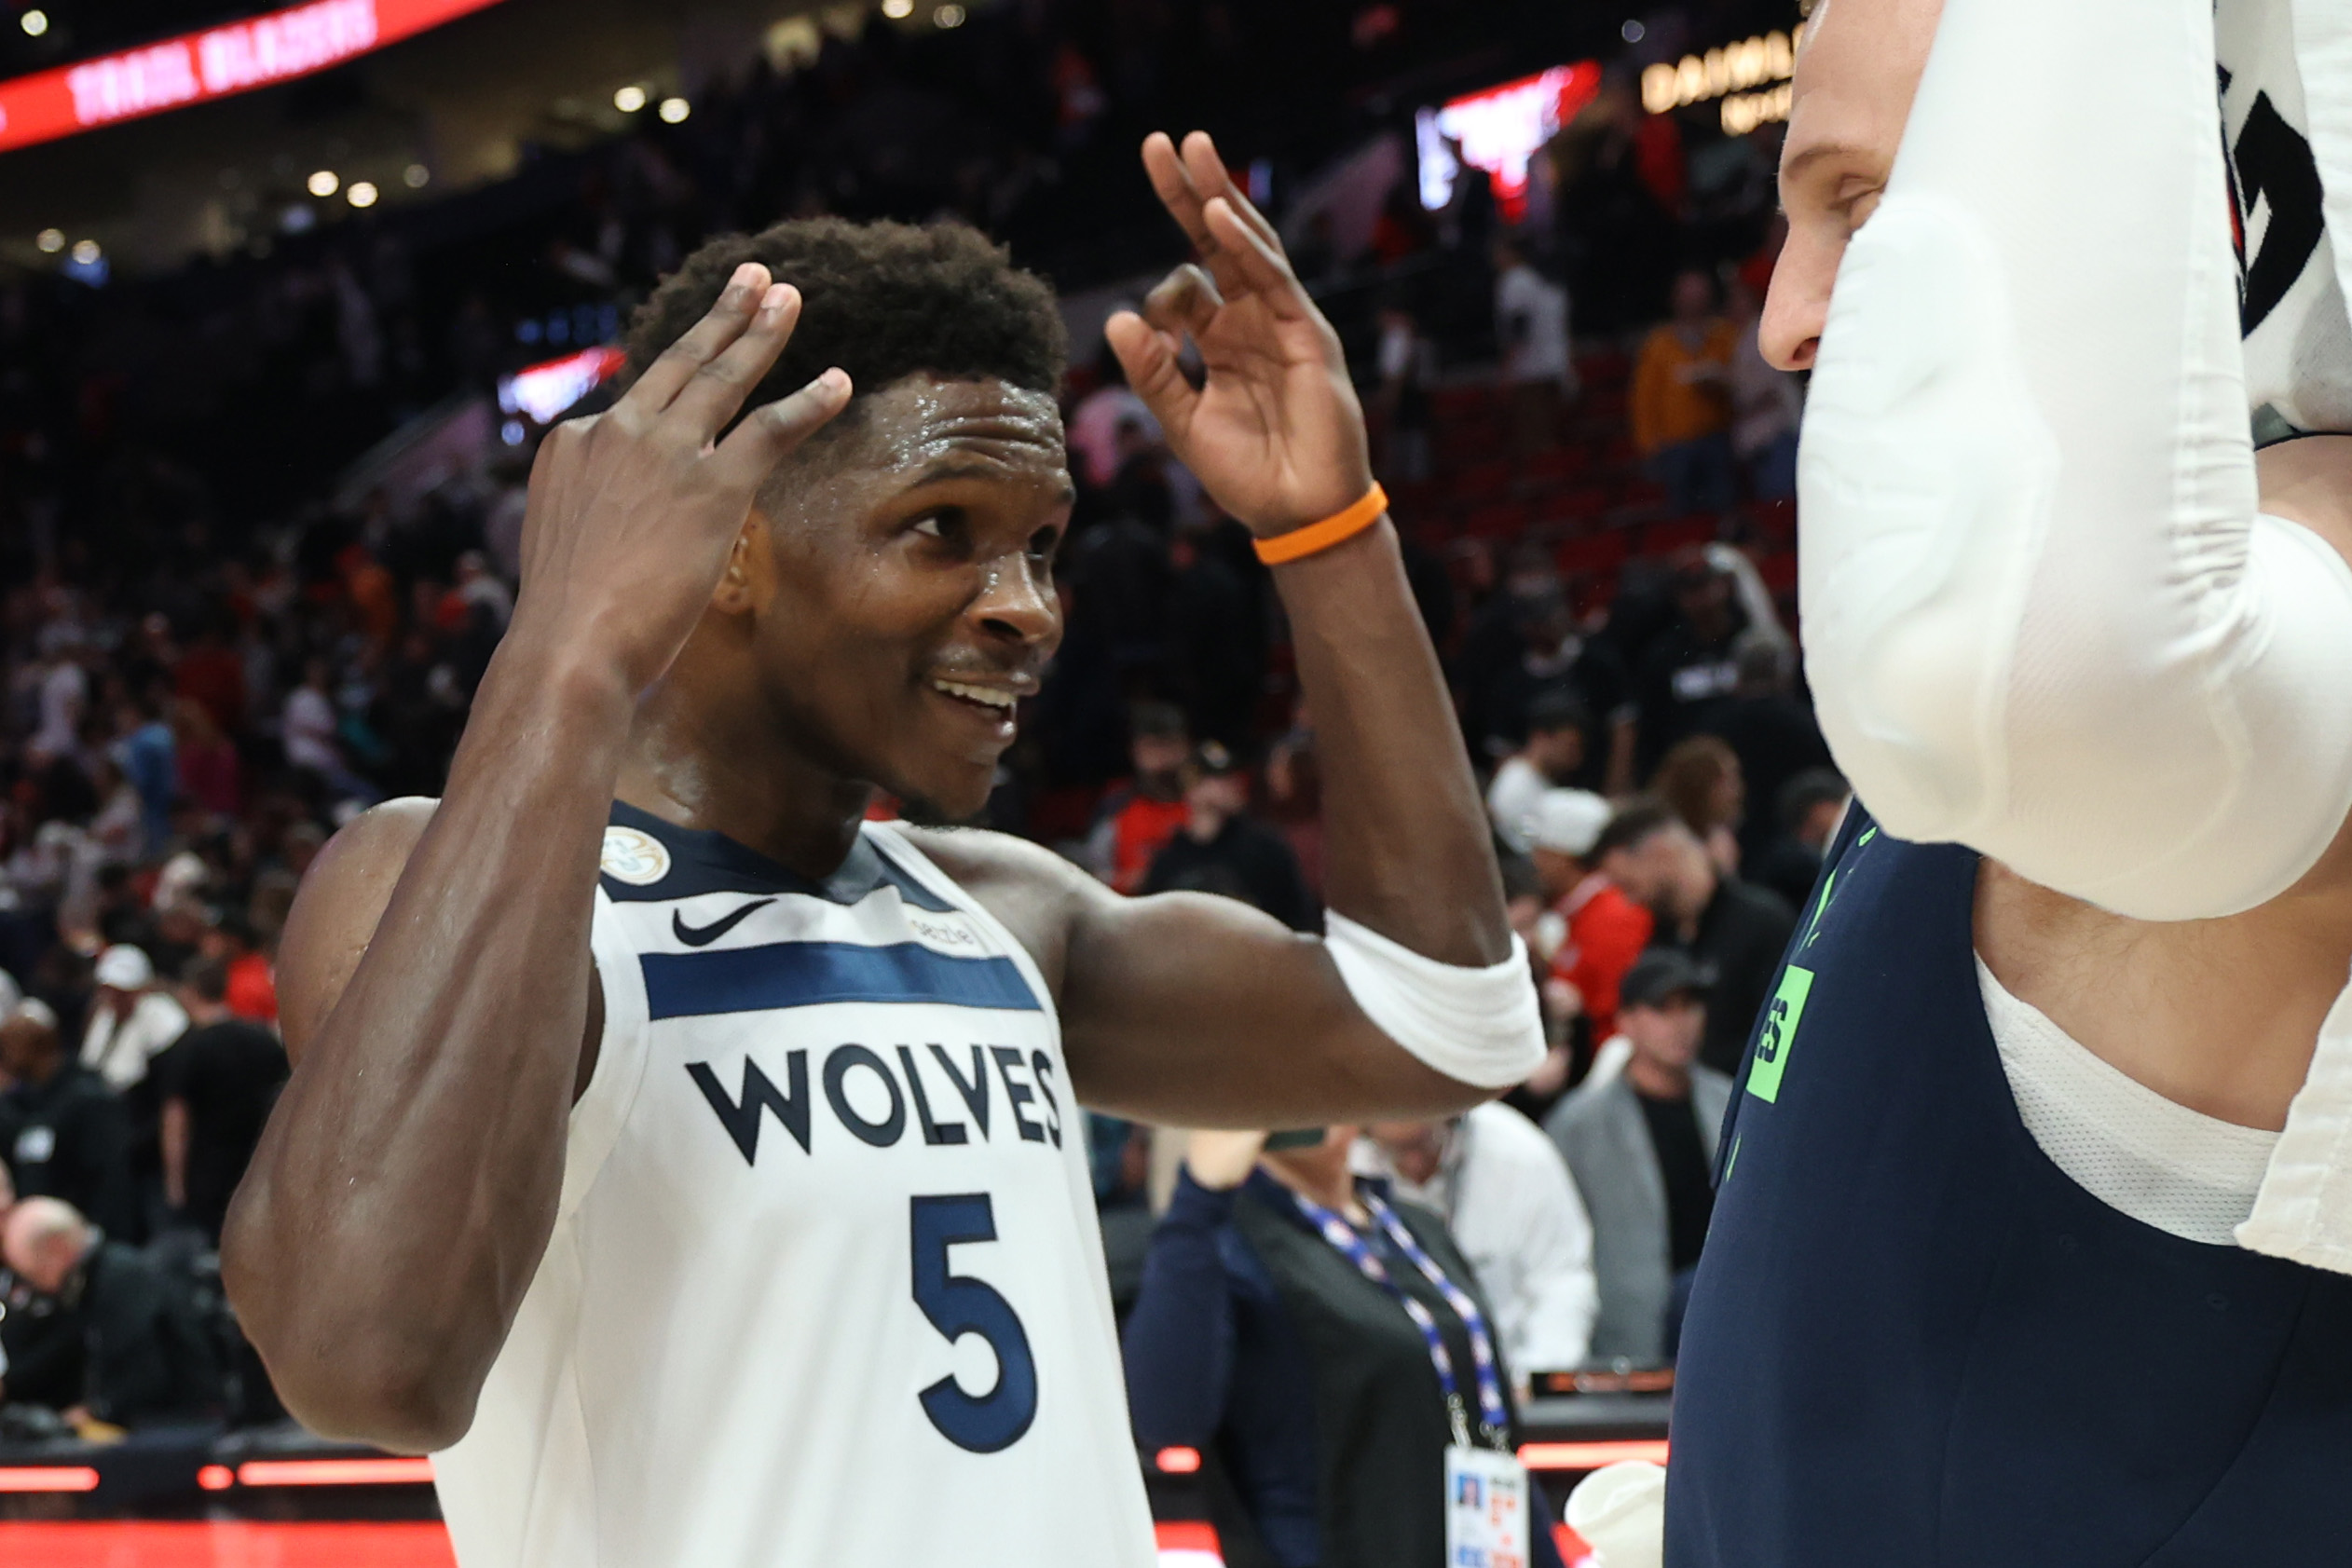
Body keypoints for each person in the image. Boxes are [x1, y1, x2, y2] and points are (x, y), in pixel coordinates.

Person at [224, 139, 1544, 1568]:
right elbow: (366, 1363)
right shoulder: (441, 882)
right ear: (723, 546)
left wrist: (1327, 531)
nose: (1026, 607)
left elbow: (1446, 1024)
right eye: (944, 533)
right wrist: (570, 648)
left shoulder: (1003, 915)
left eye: (1041, 544)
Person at [1661, 0, 2352, 1561]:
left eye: (1862, 206)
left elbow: (2069, 689)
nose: (1779, 317)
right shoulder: (1927, 686)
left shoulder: (2293, 553)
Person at [1124, 1125, 1566, 1568]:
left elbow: (1491, 1431)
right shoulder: (1221, 1241)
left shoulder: (1415, 1229)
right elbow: (1166, 1417)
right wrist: (1200, 1197)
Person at [1543, 950, 1730, 1365]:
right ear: (1626, 1021)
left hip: (1722, 1325)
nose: (1680, 1023)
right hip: (1624, 1339)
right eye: (1663, 1009)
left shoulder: (1730, 1104)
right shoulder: (1578, 1125)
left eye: (1690, 1006)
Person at [1358, 1103, 1600, 1378]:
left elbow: (1560, 1280)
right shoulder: (1339, 1165)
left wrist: (1535, 1379)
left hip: (1513, 1377)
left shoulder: (1519, 1153)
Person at [1593, 798, 1792, 1075]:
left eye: (1629, 884)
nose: (1628, 899)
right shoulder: (1661, 935)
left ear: (1660, 854)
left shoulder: (1763, 924)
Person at [0, 1197, 223, 1429]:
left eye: (34, 1272)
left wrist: (96, 1411)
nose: (40, 1286)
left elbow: (144, 1373)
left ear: (56, 1248)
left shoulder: (122, 1279)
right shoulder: (93, 1284)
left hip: (177, 1425)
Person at [156, 958, 287, 1246]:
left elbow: (176, 1118)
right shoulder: (262, 1038)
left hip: (207, 1175)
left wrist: (174, 1183)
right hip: (260, 1165)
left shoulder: (188, 1048)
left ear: (189, 992)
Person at [1140, 742, 1319, 933]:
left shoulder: (1266, 849)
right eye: (1218, 778)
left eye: (1231, 776)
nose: (1233, 784)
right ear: (1192, 789)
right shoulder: (1169, 862)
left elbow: (1301, 921)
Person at [0, 1001, 137, 1241]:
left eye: (8, 1045)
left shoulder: (88, 1099)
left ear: (36, 1046)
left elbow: (111, 1180)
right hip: (35, 1239)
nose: (4, 1055)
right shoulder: (24, 1103)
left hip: (80, 1236)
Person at [1528, 791, 1651, 1054]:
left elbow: (1614, 1024)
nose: (1534, 861)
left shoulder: (1614, 918)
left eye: (1541, 851)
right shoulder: (1571, 911)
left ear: (1564, 857)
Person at [1630, 268, 1736, 516]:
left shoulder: (1723, 334)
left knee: (1722, 510)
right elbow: (1643, 399)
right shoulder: (1658, 343)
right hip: (1675, 444)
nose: (1694, 300)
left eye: (1698, 293)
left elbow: (1739, 379)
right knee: (1682, 516)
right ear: (1675, 297)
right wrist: (1649, 446)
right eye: (1688, 294)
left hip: (1717, 436)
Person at [1086, 701, 1194, 893]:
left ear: (1186, 746)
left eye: (1169, 744)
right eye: (1152, 745)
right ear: (1135, 750)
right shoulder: (1116, 806)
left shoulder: (1202, 803)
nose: (1162, 755)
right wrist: (1131, 880)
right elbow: (1093, 875)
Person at [1494, 235, 1574, 457]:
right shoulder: (1542, 279)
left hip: (1530, 370)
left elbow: (1519, 328)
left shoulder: (1515, 280)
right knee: (1550, 434)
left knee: (1536, 440)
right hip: (1554, 365)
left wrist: (1507, 369)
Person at [1484, 688, 1592, 856]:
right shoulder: (1517, 784)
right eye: (1570, 747)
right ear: (1541, 737)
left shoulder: (1539, 780)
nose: (1577, 758)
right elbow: (1527, 851)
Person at [79, 944, 190, 1093]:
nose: (114, 997)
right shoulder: (105, 1015)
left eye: (123, 991)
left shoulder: (161, 1013)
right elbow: (89, 1062)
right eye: (109, 989)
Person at [1649, 733, 1744, 876]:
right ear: (1698, 786)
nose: (1737, 792)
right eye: (1726, 782)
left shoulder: (1721, 842)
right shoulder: (1656, 839)